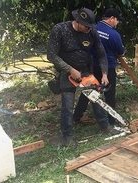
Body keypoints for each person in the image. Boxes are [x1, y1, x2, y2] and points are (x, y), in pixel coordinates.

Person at [47, 7, 110, 148]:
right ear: (77, 21)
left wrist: (104, 73)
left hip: (86, 70)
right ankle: (67, 137)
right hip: (66, 73)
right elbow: (51, 55)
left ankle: (105, 126)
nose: (88, 29)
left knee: (97, 99)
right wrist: (69, 69)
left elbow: (101, 53)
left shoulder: (91, 31)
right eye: (86, 26)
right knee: (68, 107)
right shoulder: (60, 30)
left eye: (90, 26)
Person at [73, 8, 125, 127]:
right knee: (109, 94)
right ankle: (111, 121)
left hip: (91, 67)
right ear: (112, 19)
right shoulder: (114, 34)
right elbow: (121, 52)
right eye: (117, 21)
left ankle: (76, 116)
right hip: (107, 68)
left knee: (88, 91)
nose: (117, 23)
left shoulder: (91, 29)